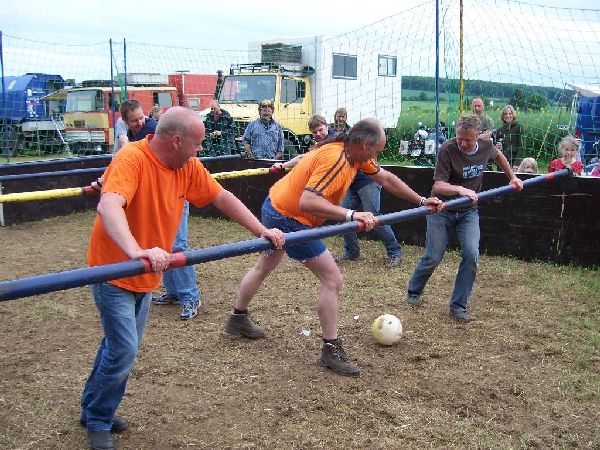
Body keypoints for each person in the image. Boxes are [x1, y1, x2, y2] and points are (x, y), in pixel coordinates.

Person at [80, 107, 285, 450]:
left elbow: (222, 197)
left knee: (117, 346)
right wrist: (135, 252)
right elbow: (109, 206)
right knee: (124, 348)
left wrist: (263, 230)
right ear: (176, 141)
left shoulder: (186, 166)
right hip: (114, 270)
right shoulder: (132, 158)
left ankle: (92, 407)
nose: (200, 150)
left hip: (146, 274)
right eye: (197, 144)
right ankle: (99, 418)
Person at [224, 118, 443, 377]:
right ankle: (331, 349)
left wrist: (420, 200)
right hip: (289, 217)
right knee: (332, 277)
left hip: (275, 204)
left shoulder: (353, 152)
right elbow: (308, 201)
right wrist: (352, 214)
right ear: (363, 144)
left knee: (264, 265)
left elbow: (385, 177)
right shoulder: (337, 159)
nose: (377, 156)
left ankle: (237, 318)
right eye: (376, 150)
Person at [406, 114, 523, 323]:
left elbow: (499, 157)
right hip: (442, 209)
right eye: (459, 137)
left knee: (471, 254)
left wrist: (512, 177)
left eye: (468, 139)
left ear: (477, 136)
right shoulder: (448, 149)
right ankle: (414, 291)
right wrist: (461, 189)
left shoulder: (486, 146)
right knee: (434, 255)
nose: (462, 142)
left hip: (469, 211)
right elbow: (439, 185)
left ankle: (458, 306)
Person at [92, 99, 157, 190]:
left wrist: (102, 181)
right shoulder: (131, 132)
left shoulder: (150, 128)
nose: (140, 123)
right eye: (134, 121)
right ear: (125, 121)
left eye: (141, 118)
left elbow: (125, 153)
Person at [494, 104, 526, 169]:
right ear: (502, 116)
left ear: (513, 115)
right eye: (505, 114)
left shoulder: (519, 127)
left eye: (510, 113)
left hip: (513, 162)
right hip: (501, 162)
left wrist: (517, 164)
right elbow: (495, 146)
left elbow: (522, 147)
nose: (508, 116)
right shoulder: (499, 129)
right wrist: (496, 147)